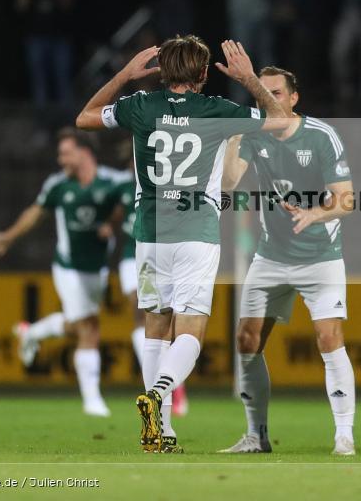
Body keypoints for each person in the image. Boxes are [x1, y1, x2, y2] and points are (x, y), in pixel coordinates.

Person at [75, 36, 289, 453]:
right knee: (190, 332)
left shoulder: (140, 105)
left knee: (156, 328)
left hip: (149, 236)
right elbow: (281, 121)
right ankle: (158, 394)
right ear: (204, 73)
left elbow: (84, 117)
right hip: (196, 235)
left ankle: (162, 431)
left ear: (162, 70)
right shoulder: (217, 110)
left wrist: (123, 75)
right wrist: (248, 79)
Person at [219, 66, 357, 456]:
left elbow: (346, 199)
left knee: (328, 338)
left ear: (294, 98)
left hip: (320, 257)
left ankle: (344, 435)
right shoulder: (253, 134)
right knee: (247, 340)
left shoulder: (321, 135)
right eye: (262, 93)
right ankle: (256, 435)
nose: (268, 99)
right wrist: (233, 133)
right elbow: (228, 183)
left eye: (276, 93)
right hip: (271, 256)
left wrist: (315, 213)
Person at [0, 128, 127, 417]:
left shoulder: (113, 182)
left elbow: (126, 205)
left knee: (76, 325)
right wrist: (8, 237)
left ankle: (33, 332)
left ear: (84, 153)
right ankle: (92, 401)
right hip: (68, 267)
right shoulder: (58, 185)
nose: (61, 159)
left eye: (65, 153)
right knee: (90, 327)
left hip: (96, 268)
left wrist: (110, 224)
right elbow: (35, 213)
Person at [112, 146, 189, 416]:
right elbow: (114, 216)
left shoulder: (167, 187)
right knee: (142, 313)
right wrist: (107, 227)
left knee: (164, 319)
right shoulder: (123, 190)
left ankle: (171, 381)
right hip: (131, 257)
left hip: (161, 256)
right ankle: (161, 384)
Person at [15, 0, 76, 109]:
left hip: (60, 36)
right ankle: (41, 118)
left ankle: (66, 118)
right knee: (39, 80)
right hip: (35, 37)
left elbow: (67, 5)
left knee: (62, 79)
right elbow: (20, 6)